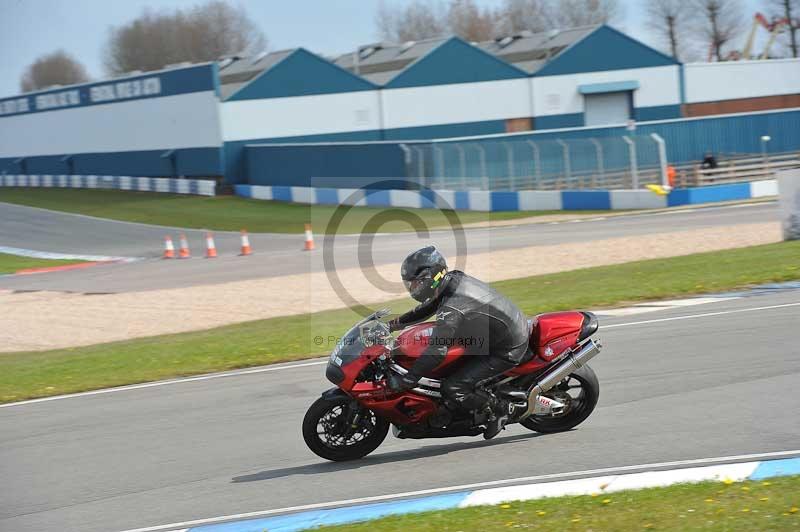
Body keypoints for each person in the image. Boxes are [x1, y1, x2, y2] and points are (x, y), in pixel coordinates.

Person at [386, 246, 530, 439]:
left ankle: (501, 409)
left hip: (505, 347)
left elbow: (437, 350)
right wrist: (392, 325)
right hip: (491, 333)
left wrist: (410, 378)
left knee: (453, 387)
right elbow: (427, 308)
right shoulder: (450, 281)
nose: (412, 289)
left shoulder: (453, 308)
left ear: (431, 277)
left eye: (415, 284)